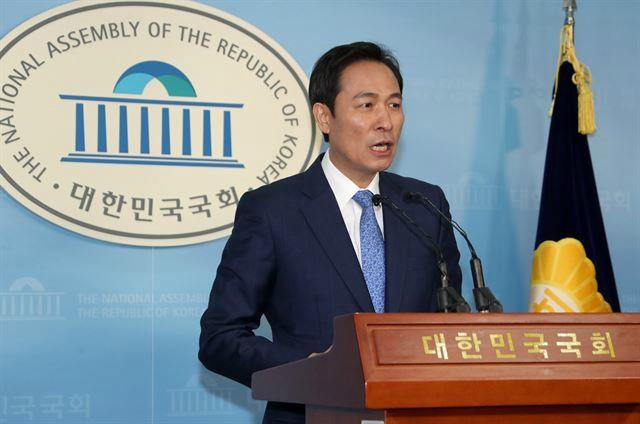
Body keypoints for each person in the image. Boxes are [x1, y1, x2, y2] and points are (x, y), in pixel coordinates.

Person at [199, 41, 462, 424]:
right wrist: (307, 369)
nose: (385, 121)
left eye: (394, 104)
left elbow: (450, 324)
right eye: (366, 105)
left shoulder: (424, 205)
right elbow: (220, 338)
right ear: (324, 117)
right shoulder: (273, 210)